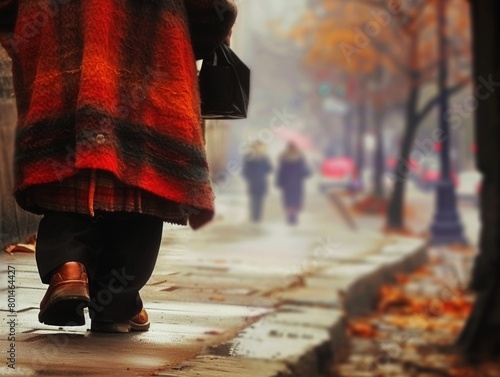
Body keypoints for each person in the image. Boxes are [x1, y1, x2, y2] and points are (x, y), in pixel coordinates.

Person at [0, 0, 236, 333]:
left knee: (69, 171)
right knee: (140, 184)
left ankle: (68, 268)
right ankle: (116, 301)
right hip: (148, 67)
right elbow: (211, 11)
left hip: (61, 58)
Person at [276, 142, 310, 225]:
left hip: (287, 182)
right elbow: (305, 171)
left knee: (288, 199)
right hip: (297, 182)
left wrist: (279, 182)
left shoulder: (284, 157)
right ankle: (294, 216)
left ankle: (290, 215)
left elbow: (281, 171)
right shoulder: (300, 157)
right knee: (296, 199)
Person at [242, 141, 272, 223]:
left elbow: (269, 169)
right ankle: (254, 217)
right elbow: (245, 171)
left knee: (259, 201)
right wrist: (250, 178)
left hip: (261, 183)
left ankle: (257, 217)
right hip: (253, 184)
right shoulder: (249, 157)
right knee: (253, 201)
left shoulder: (264, 158)